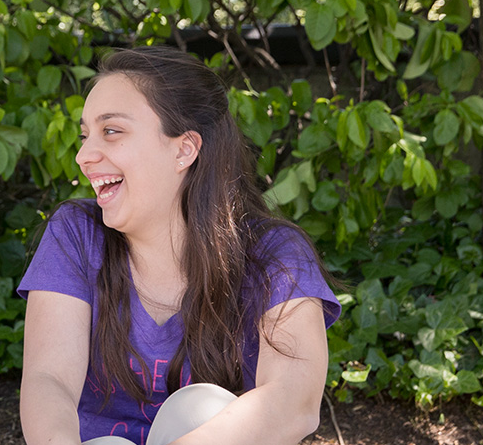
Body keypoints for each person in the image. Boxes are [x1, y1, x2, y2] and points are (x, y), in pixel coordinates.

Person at [18, 46, 343, 445]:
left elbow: (293, 401)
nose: (84, 156)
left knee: (201, 407)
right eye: (85, 136)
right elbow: (47, 379)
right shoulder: (76, 234)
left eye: (112, 131)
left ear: (184, 149)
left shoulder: (275, 254)